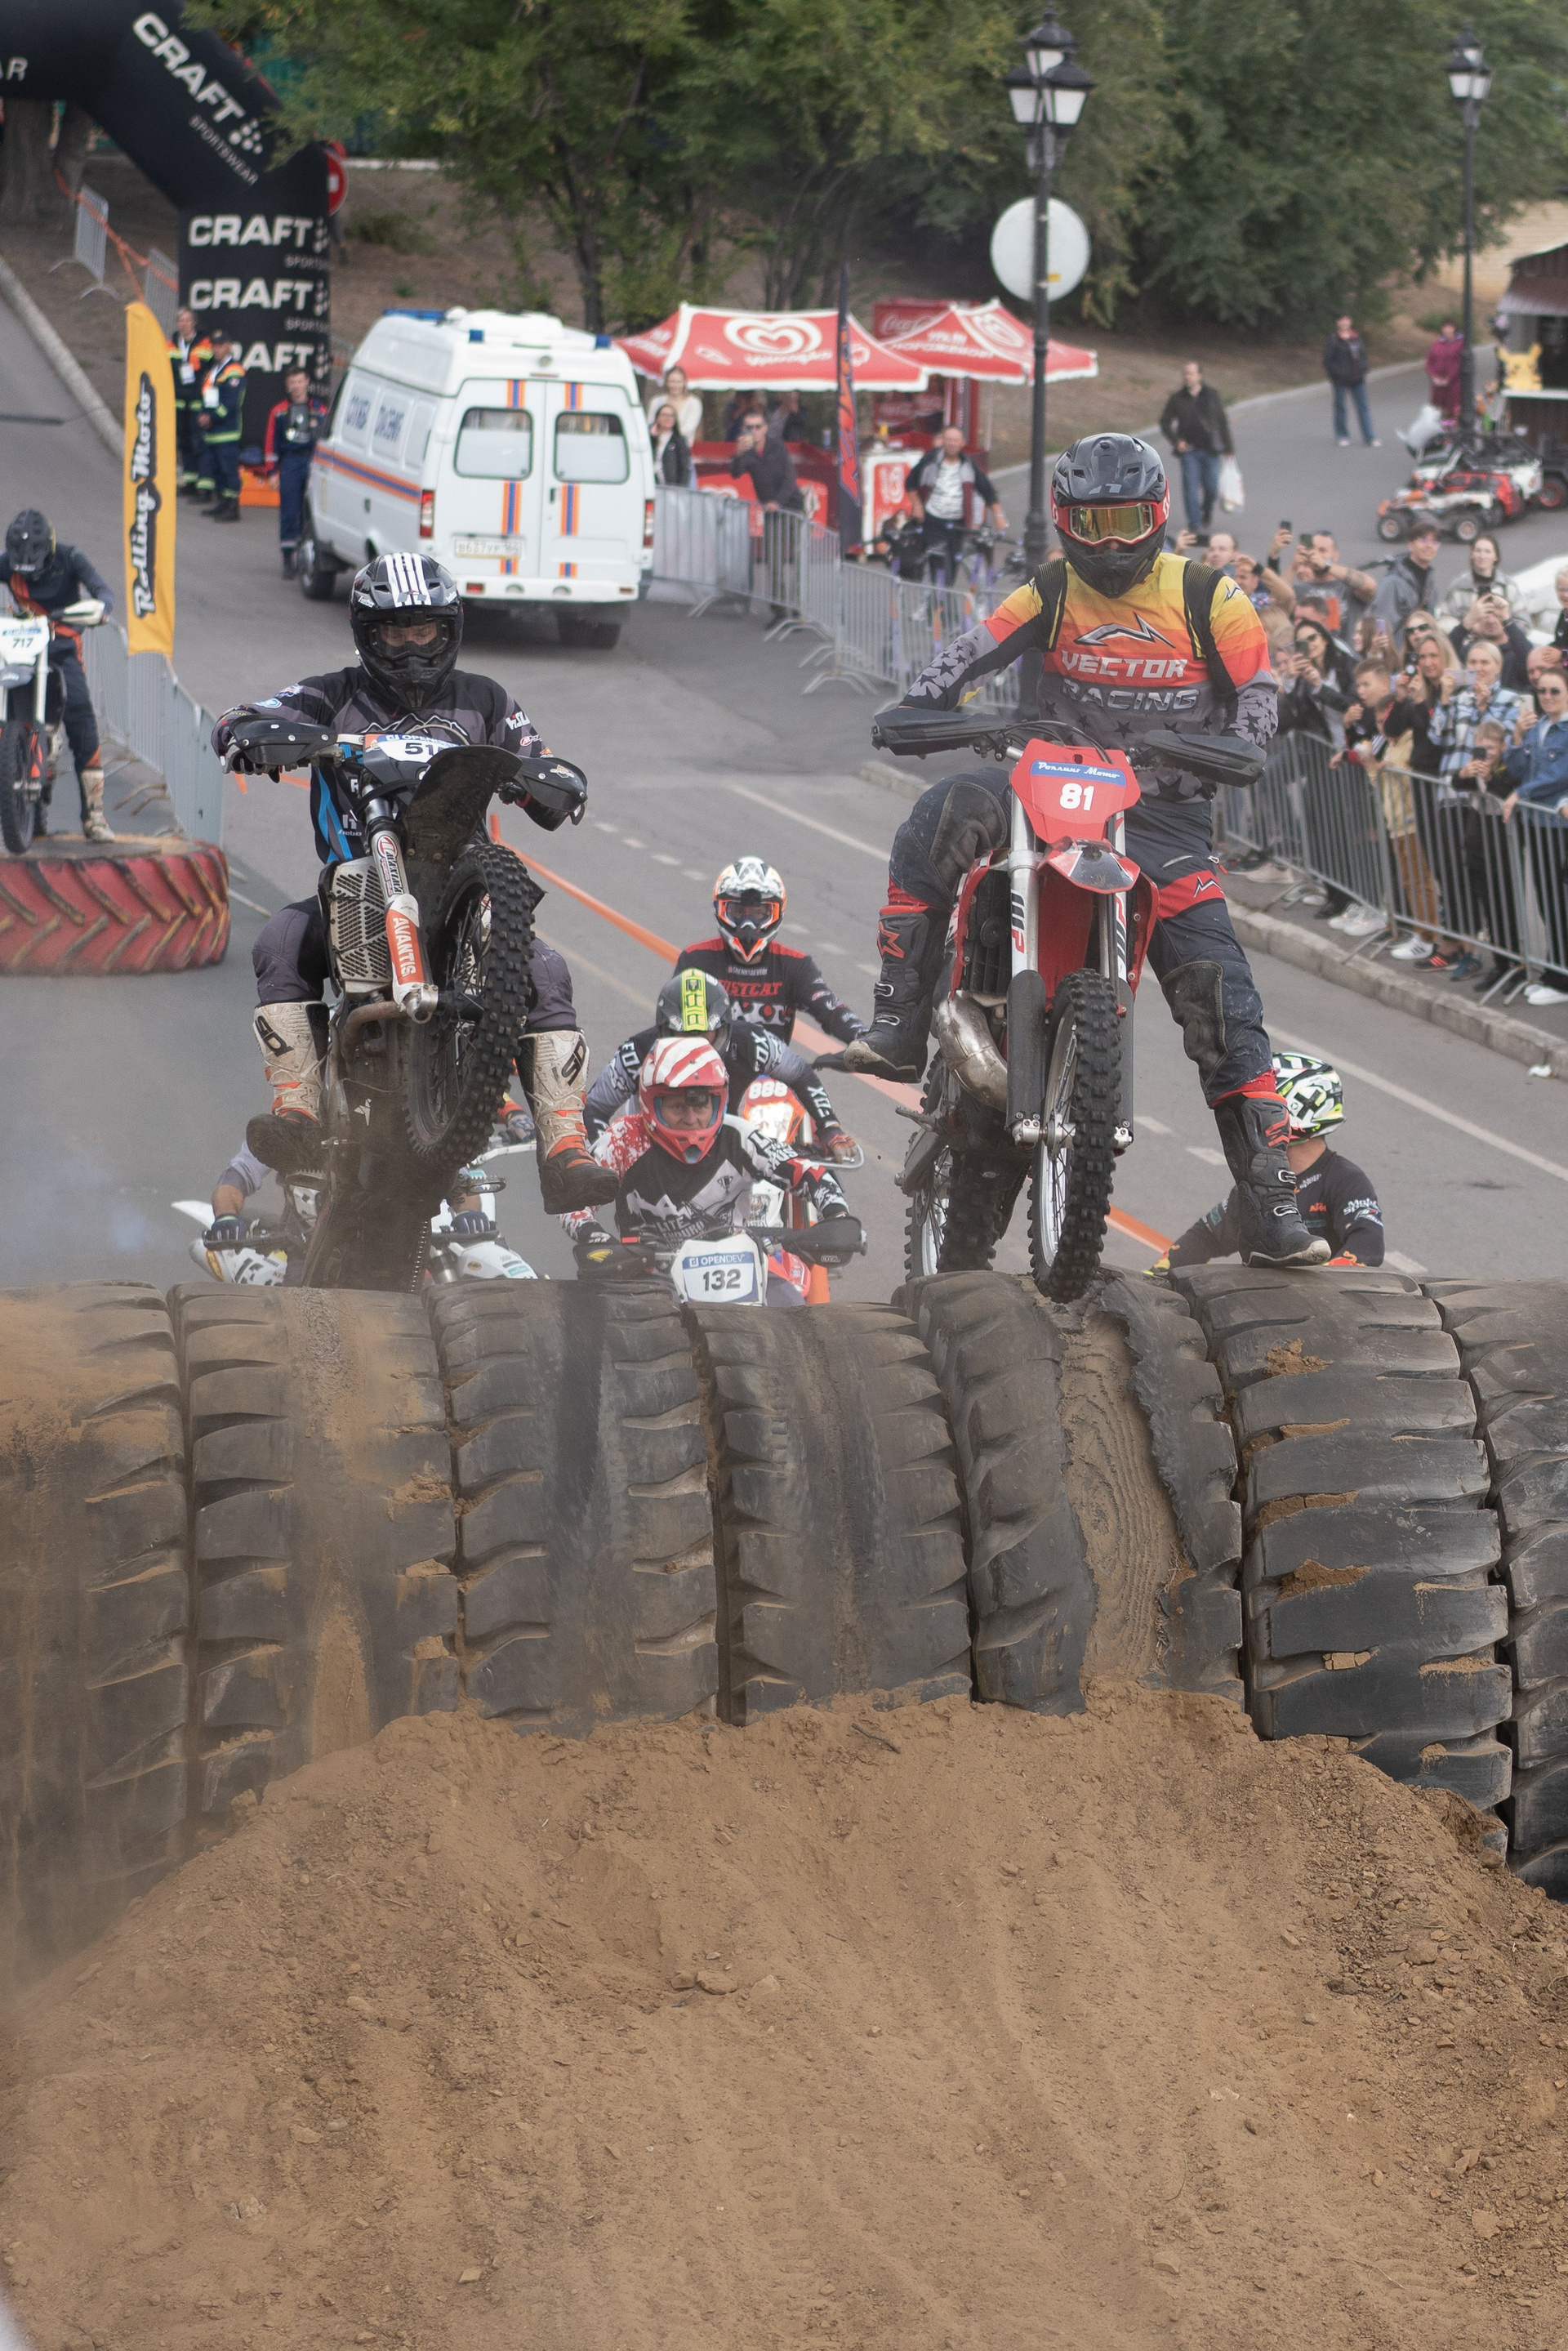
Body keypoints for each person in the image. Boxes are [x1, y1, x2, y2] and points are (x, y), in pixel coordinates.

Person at [841, 430, 1329, 1267]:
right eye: (1091, 523)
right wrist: (923, 703)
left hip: (1161, 813)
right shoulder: (1049, 590)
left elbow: (1258, 690)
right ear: (1064, 521)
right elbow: (969, 651)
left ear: (1158, 516)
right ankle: (898, 1019)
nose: (1108, 542)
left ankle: (1270, 1201)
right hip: (1041, 787)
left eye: (1126, 521)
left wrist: (1243, 742)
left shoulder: (1211, 595)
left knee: (1224, 997)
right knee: (936, 815)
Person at [210, 552, 617, 1216]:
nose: (410, 646)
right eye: (394, 632)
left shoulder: (485, 700)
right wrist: (248, 735)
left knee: (546, 969)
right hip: (356, 885)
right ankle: (297, 1114)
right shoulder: (332, 695)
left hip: (460, 893)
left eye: (424, 630)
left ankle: (566, 1149)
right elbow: (243, 717)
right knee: (280, 939)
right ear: (366, 634)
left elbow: (538, 761)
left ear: (448, 629)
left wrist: (551, 782)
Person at [566, 1035, 855, 1303]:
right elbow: (574, 1197)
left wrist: (837, 1214)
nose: (691, 1119)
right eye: (678, 1107)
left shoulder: (739, 1136)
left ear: (718, 1102)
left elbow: (808, 1172)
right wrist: (593, 1235)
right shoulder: (623, 1139)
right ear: (652, 1104)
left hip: (742, 1266)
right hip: (650, 1276)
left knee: (794, 1312)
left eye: (700, 1106)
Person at [584, 967, 858, 1160]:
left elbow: (801, 1073)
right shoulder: (637, 1052)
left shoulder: (752, 1042)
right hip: (653, 1155)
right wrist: (604, 1157)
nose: (693, 1044)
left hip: (723, 1151)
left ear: (723, 1029)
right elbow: (594, 1109)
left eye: (702, 1033)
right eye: (683, 1034)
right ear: (663, 1031)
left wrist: (830, 1128)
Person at [1156, 1055, 1383, 1269]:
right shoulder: (1261, 1179)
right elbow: (1206, 1237)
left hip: (1325, 1297)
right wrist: (1155, 1276)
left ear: (1297, 1110)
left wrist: (1318, 1284)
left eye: (1264, 1107)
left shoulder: (1346, 1180)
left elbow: (1369, 1247)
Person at [3, 508, 116, 841]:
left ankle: (94, 815)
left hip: (63, 647)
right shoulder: (7, 564)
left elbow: (103, 593)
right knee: (11, 710)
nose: (30, 575)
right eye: (21, 568)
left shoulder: (71, 558)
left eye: (35, 567)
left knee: (81, 718)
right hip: (22, 650)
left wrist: (101, 609)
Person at [676, 857, 865, 1046]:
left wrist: (864, 1039)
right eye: (738, 912)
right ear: (720, 909)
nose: (748, 924)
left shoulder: (795, 965)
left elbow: (831, 1010)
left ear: (777, 913)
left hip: (776, 1064)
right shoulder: (696, 960)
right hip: (708, 1063)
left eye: (759, 913)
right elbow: (674, 1024)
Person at [1502, 666, 1568, 1005]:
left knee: (1556, 899)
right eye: (1542, 691)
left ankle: (1561, 977)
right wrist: (1516, 737)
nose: (1547, 697)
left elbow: (1560, 775)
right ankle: (1554, 968)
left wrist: (1521, 794)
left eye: (1555, 691)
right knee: (1545, 896)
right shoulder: (1537, 727)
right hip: (1535, 821)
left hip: (1557, 824)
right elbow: (1515, 768)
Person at [902, 426, 1008, 582]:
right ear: (943, 441)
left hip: (958, 524)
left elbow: (987, 490)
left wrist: (999, 515)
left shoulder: (968, 465)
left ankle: (943, 594)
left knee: (951, 567)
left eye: (956, 440)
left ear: (962, 443)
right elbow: (910, 482)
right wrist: (917, 505)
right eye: (949, 440)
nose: (952, 444)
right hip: (933, 520)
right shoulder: (930, 461)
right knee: (938, 565)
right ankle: (939, 595)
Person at [262, 367, 329, 578]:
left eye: (300, 381)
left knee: (311, 511)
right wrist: (272, 473)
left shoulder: (320, 409)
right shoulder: (279, 411)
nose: (296, 386)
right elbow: (271, 442)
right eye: (292, 382)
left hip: (313, 462)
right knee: (289, 510)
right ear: (287, 385)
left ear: (307, 381)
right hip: (290, 462)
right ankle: (287, 559)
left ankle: (306, 556)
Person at [1159, 360, 1234, 535]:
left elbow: (1222, 422)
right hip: (1189, 451)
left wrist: (1229, 448)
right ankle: (1195, 523)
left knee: (1211, 487)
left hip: (1211, 450)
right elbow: (1165, 422)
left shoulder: (1211, 395)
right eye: (1185, 374)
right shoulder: (1177, 398)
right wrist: (1176, 441)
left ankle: (1206, 511)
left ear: (1199, 375)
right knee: (1190, 487)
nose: (1188, 377)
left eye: (1191, 373)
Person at [1281, 529, 1376, 638]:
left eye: (1322, 550)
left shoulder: (1348, 587)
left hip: (1344, 647)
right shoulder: (1300, 588)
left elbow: (1370, 586)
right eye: (1313, 549)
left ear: (1335, 555)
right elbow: (1278, 602)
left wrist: (1326, 564)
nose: (1316, 554)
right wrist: (1294, 566)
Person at [1369, 519, 1440, 659]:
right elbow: (1382, 625)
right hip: (1397, 657)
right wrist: (1385, 657)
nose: (1429, 546)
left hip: (1421, 657)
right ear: (1411, 545)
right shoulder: (1393, 582)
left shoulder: (1431, 585)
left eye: (1434, 542)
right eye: (1423, 540)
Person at [198, 333, 246, 524]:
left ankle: (233, 507)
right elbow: (205, 396)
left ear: (228, 346)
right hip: (212, 432)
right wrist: (202, 414)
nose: (216, 349)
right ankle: (223, 503)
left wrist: (211, 417)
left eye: (220, 345)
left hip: (227, 432)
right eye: (214, 346)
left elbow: (231, 403)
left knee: (228, 470)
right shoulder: (214, 369)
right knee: (217, 469)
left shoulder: (234, 370)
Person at [167, 306, 213, 497]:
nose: (184, 324)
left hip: (197, 402)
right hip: (179, 403)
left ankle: (204, 486)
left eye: (187, 320)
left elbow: (209, 371)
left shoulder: (205, 343)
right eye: (181, 320)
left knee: (200, 444)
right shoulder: (171, 344)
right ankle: (190, 482)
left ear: (194, 322)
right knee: (184, 443)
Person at [1452, 591, 1532, 694]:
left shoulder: (1515, 654)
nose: (1491, 621)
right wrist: (1468, 622)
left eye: (1496, 615)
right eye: (1485, 615)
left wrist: (1508, 621)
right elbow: (1445, 654)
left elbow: (1529, 660)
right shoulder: (1469, 654)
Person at [1438, 532, 1523, 626]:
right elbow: (1445, 620)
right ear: (1472, 554)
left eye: (1487, 551)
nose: (1482, 556)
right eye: (1478, 551)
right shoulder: (1459, 586)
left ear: (1496, 556)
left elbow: (1524, 622)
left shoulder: (1508, 586)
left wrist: (1504, 628)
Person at [1323, 314, 1379, 447]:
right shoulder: (1333, 339)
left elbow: (1363, 356)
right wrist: (1337, 374)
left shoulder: (1356, 337)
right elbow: (1328, 361)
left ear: (1350, 321)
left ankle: (1370, 437)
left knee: (1363, 407)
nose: (1344, 323)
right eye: (1342, 320)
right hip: (1340, 380)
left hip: (1357, 378)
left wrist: (1364, 369)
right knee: (1340, 407)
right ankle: (1342, 435)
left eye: (1347, 320)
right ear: (1337, 322)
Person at [646, 365, 702, 447]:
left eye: (679, 382)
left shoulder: (694, 403)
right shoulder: (656, 401)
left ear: (684, 383)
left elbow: (688, 429)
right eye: (672, 381)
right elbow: (650, 424)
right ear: (667, 382)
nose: (675, 385)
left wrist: (666, 432)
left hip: (681, 449)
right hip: (657, 447)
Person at [1426, 319, 1465, 423]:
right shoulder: (1437, 344)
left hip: (1454, 384)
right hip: (1437, 384)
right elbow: (1429, 362)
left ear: (1454, 329)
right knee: (1437, 412)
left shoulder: (1460, 344)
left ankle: (1452, 429)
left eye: (1450, 327)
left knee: (1453, 411)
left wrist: (1449, 379)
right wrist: (1434, 377)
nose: (1447, 330)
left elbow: (1460, 364)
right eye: (1445, 327)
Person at [649, 399, 693, 487]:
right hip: (652, 484)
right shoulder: (650, 439)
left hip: (671, 487)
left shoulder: (679, 441)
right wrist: (652, 438)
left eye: (671, 415)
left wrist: (681, 488)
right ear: (657, 418)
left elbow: (684, 468)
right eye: (664, 415)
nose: (668, 418)